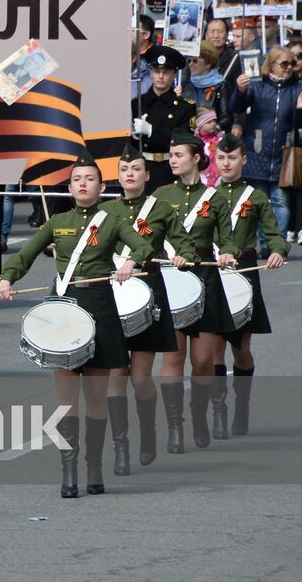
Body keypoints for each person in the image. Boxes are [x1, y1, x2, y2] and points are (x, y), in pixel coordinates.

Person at [0, 153, 150, 498]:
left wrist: (130, 261)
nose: (83, 183)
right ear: (69, 186)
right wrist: (7, 279)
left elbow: (142, 243)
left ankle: (94, 467)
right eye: (77, 179)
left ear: (101, 186)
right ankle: (68, 470)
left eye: (90, 179)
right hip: (63, 308)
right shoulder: (57, 221)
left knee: (95, 397)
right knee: (66, 399)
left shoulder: (111, 219)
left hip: (99, 306)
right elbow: (25, 255)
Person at [153, 130, 240, 453]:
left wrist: (228, 252)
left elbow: (228, 236)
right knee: (173, 359)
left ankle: (199, 413)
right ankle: (175, 427)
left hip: (205, 277)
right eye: (171, 155)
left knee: (203, 362)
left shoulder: (215, 198)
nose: (172, 160)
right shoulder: (161, 196)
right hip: (172, 280)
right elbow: (145, 233)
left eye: (178, 155)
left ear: (196, 158)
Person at [102, 144, 181, 470]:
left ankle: (147, 431)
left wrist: (182, 254)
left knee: (140, 376)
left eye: (136, 169)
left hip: (148, 294)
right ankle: (121, 447)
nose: (130, 174)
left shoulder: (160, 209)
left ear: (147, 175)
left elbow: (181, 240)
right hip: (116, 296)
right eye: (124, 170)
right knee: (116, 373)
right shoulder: (106, 212)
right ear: (118, 176)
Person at [208, 135, 287, 440]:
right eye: (221, 158)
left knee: (241, 349)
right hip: (215, 273)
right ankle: (219, 412)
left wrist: (279, 251)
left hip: (244, 273)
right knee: (214, 346)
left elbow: (275, 235)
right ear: (215, 161)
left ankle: (242, 405)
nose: (226, 164)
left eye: (232, 158)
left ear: (243, 160)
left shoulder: (256, 197)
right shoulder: (206, 197)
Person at [231, 46, 302, 237]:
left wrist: (301, 108)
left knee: (280, 201)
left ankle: (278, 243)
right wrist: (241, 90)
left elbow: (300, 123)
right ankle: (265, 243)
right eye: (284, 63)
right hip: (257, 149)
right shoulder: (257, 84)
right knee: (260, 201)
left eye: (292, 63)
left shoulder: (297, 88)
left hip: (282, 152)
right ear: (271, 64)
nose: (289, 67)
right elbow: (236, 106)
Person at [132, 46, 196, 191]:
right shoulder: (137, 104)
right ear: (151, 73)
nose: (161, 76)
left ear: (174, 75)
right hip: (142, 169)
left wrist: (150, 131)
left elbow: (182, 140)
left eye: (166, 72)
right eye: (157, 71)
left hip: (169, 170)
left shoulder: (184, 108)